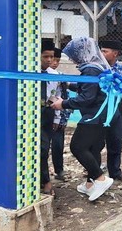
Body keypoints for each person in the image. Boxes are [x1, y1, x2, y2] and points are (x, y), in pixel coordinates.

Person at [51, 37, 113, 202]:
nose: (72, 59)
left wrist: (62, 104)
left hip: (94, 115)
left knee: (77, 146)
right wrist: (69, 84)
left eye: (73, 54)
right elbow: (88, 87)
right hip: (103, 115)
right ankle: (90, 185)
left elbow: (87, 97)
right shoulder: (97, 66)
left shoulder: (90, 69)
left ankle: (100, 179)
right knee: (93, 149)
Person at [99, 40, 122, 182]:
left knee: (116, 141)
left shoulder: (121, 70)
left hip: (117, 110)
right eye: (101, 50)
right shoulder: (98, 68)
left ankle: (115, 171)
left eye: (105, 51)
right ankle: (95, 171)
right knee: (97, 142)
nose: (102, 54)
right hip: (100, 110)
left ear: (115, 53)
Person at [49, 47, 70, 182]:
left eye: (57, 60)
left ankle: (59, 170)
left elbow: (64, 98)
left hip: (58, 117)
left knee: (58, 145)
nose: (54, 62)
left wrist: (62, 119)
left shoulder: (60, 77)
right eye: (52, 59)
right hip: (46, 115)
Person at [40, 39, 56, 196]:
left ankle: (46, 181)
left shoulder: (54, 75)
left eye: (51, 57)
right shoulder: (28, 72)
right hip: (30, 112)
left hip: (47, 113)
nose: (49, 60)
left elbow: (55, 95)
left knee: (44, 148)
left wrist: (57, 118)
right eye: (45, 57)